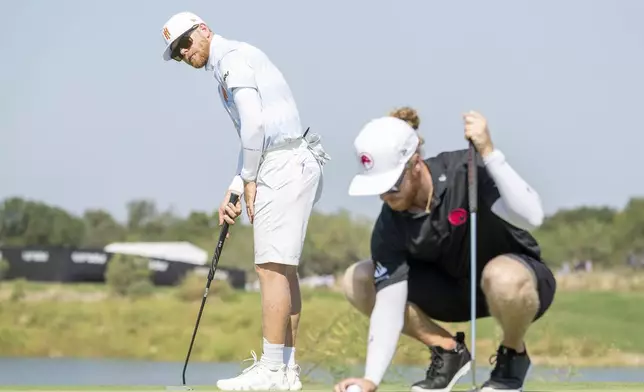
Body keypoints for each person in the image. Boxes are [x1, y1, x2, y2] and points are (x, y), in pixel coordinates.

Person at [160, 11, 330, 391]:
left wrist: (250, 178)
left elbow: (254, 126)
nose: (185, 53)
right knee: (282, 269)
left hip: (283, 163)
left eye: (187, 42)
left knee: (270, 268)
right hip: (288, 159)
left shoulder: (231, 59)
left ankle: (272, 371)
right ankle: (285, 370)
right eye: (177, 52)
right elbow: (252, 135)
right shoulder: (230, 61)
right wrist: (238, 184)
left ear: (203, 29)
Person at [334, 107, 556, 392]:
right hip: (452, 294)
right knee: (359, 279)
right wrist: (371, 379)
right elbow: (389, 304)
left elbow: (532, 217)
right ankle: (449, 351)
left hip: (519, 284)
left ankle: (512, 358)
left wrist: (490, 153)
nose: (385, 195)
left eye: (392, 184)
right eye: (379, 187)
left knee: (501, 276)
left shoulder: (466, 172)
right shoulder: (389, 225)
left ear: (416, 163)